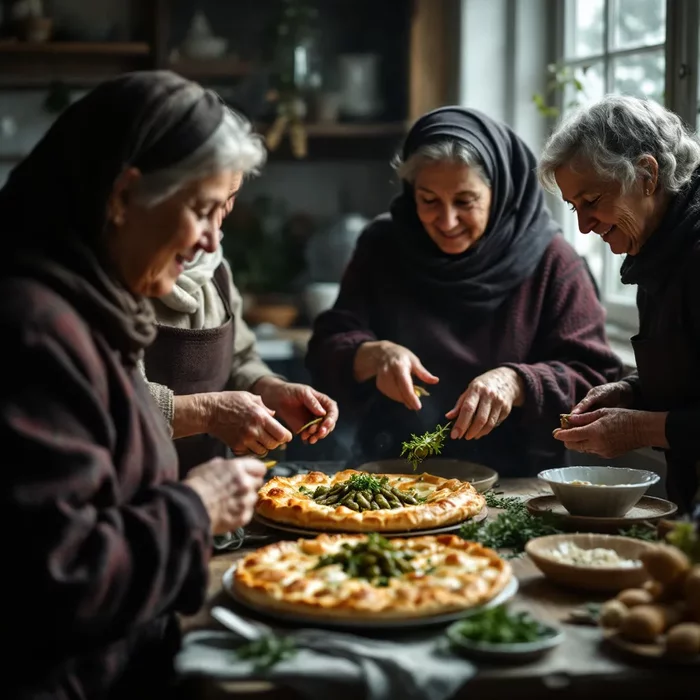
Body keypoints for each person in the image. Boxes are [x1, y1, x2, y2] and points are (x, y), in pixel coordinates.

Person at [0, 71, 269, 699]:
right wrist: (196, 507)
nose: (212, 240)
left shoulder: (98, 299)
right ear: (123, 196)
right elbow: (60, 580)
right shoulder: (33, 330)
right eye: (202, 210)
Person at [306, 106, 623, 476]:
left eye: (465, 201)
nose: (447, 221)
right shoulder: (383, 245)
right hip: (390, 472)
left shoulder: (552, 260)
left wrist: (517, 381)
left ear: (500, 191)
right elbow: (325, 349)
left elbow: (596, 379)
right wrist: (372, 355)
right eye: (428, 200)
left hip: (516, 483)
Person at [140, 110, 338, 477]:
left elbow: (240, 356)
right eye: (203, 207)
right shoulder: (122, 275)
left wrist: (270, 390)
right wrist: (210, 414)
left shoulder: (214, 266)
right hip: (138, 496)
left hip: (210, 494)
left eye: (229, 200)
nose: (215, 232)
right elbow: (112, 402)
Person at [540, 95, 700, 513]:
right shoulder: (657, 247)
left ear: (647, 175)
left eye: (591, 201)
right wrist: (630, 392)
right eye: (575, 207)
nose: (583, 224)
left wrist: (640, 429)